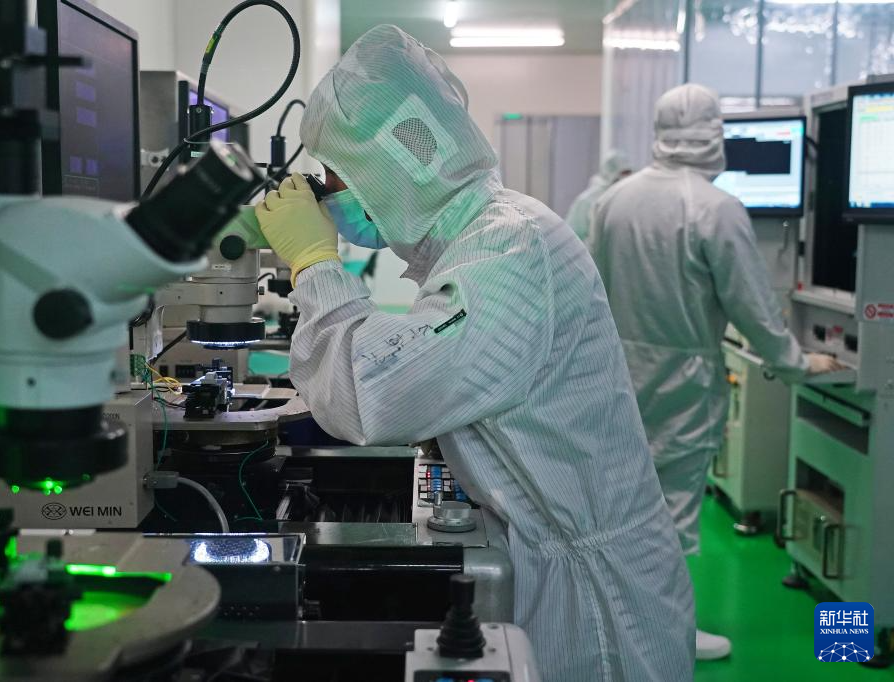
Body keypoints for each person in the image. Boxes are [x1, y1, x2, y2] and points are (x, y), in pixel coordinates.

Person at [255, 24, 694, 682]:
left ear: (391, 167)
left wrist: (315, 263)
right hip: (560, 557)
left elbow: (370, 395)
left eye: (335, 177)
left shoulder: (508, 250)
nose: (330, 195)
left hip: (598, 604)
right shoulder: (483, 238)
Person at [588, 83, 843, 661]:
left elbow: (593, 292)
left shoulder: (614, 201)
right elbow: (752, 306)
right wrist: (798, 364)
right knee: (674, 517)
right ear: (712, 133)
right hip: (683, 383)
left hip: (615, 378)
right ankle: (666, 638)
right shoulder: (715, 207)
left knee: (622, 509)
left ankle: (618, 626)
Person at [565, 150, 631, 241]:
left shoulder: (627, 199)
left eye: (628, 172)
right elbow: (573, 235)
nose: (625, 177)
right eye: (622, 173)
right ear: (610, 173)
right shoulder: (587, 201)